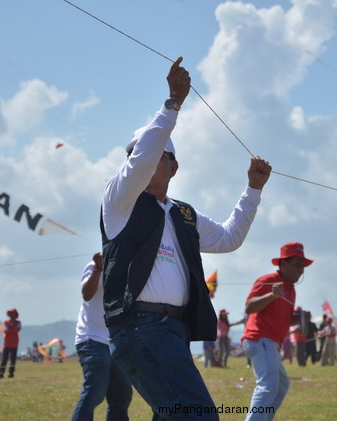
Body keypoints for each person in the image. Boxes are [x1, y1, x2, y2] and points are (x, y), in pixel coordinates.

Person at [100, 56, 272, 420]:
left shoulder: (183, 214)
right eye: (133, 156)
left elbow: (229, 238)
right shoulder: (119, 199)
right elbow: (144, 157)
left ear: (173, 167)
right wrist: (172, 103)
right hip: (141, 326)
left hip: (171, 329)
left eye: (152, 156)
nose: (139, 161)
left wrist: (253, 190)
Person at [242, 242, 313, 420]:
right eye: (297, 265)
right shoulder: (268, 281)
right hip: (260, 339)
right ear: (283, 264)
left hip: (270, 342)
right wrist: (271, 295)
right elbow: (250, 307)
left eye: (302, 266)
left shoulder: (290, 290)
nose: (301, 270)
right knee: (268, 386)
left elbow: (284, 320)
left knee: (281, 385)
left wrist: (301, 319)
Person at [72, 253, 132, 421]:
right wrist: (98, 269)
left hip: (116, 341)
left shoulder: (128, 267)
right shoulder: (95, 265)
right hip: (92, 339)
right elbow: (87, 294)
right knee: (95, 389)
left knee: (122, 394)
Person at [0, 308, 21, 379]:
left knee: (13, 360)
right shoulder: (6, 322)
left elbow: (17, 330)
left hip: (14, 344)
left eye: (13, 313)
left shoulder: (18, 323)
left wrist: (10, 328)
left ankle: (11, 373)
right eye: (11, 313)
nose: (12, 315)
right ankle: (1, 373)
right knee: (4, 359)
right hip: (7, 344)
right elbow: (5, 330)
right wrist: (11, 328)